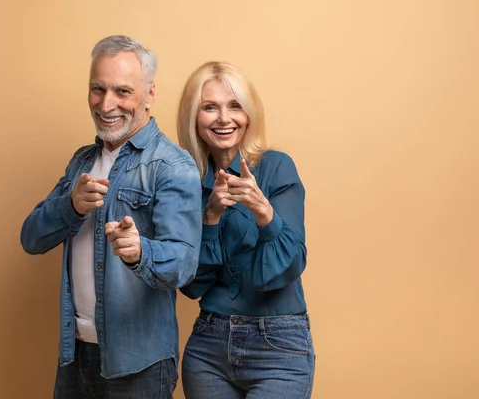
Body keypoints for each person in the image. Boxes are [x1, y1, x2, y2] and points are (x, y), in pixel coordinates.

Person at [20, 35, 202, 399]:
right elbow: (31, 239)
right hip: (75, 356)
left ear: (149, 95)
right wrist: (70, 206)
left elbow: (184, 264)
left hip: (139, 364)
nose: (107, 104)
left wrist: (140, 252)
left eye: (122, 91)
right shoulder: (82, 161)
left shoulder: (172, 165)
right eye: (97, 89)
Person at [176, 61, 315, 399]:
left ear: (249, 114)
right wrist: (210, 217)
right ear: (194, 117)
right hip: (209, 346)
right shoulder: (186, 182)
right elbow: (191, 285)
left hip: (279, 345)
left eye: (234, 106)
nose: (224, 118)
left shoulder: (277, 167)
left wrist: (263, 211)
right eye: (210, 107)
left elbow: (291, 263)